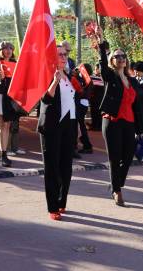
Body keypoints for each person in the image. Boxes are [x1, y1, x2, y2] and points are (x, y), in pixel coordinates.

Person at [97, 28, 143, 206]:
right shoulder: (110, 76)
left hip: (129, 122)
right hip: (112, 120)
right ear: (112, 60)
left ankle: (116, 184)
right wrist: (102, 44)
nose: (121, 59)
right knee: (114, 157)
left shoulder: (131, 80)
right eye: (117, 56)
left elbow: (137, 104)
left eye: (123, 56)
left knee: (129, 154)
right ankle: (117, 191)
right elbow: (102, 65)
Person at [37, 45, 76, 221]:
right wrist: (54, 81)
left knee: (66, 167)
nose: (63, 57)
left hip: (69, 125)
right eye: (59, 54)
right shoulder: (47, 75)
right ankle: (53, 206)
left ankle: (61, 201)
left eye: (65, 54)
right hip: (52, 127)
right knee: (52, 168)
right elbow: (45, 99)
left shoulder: (68, 76)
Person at [0, 41, 18, 166]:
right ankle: (3, 154)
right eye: (5, 48)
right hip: (0, 95)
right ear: (0, 50)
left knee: (8, 125)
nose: (8, 51)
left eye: (10, 48)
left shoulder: (15, 63)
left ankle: (4, 153)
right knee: (2, 125)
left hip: (10, 96)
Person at [75, 63, 94, 154]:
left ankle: (86, 145)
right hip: (83, 104)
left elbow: (84, 93)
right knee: (80, 125)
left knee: (79, 125)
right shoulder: (84, 79)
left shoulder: (87, 81)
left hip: (81, 104)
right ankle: (86, 145)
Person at [89, 62, 104, 131]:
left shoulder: (103, 77)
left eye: (96, 69)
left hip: (100, 99)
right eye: (94, 69)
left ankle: (98, 126)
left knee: (98, 113)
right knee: (93, 112)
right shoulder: (93, 77)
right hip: (93, 99)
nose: (95, 70)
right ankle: (94, 125)